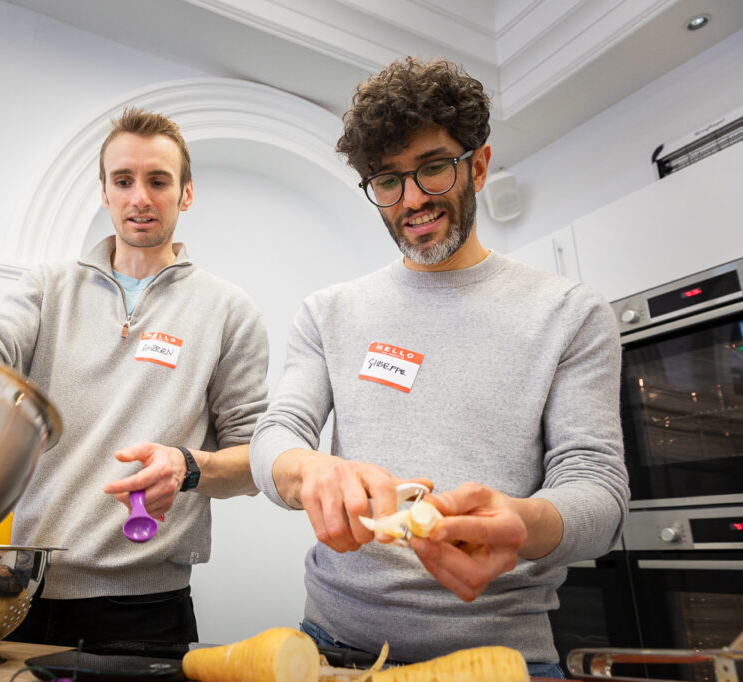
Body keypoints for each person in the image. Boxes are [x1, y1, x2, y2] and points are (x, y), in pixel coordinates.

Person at [249, 57, 628, 679]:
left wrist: (522, 523)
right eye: (388, 181)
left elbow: (600, 490)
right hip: (332, 648)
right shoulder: (329, 312)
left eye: (432, 168)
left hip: (499, 658)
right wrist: (310, 470)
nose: (413, 200)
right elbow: (277, 432)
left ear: (477, 165)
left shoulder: (569, 312)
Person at [0, 108, 269, 646]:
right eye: (123, 180)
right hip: (27, 593)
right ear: (104, 192)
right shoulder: (48, 289)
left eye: (158, 181)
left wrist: (187, 467)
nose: (140, 197)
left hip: (148, 608)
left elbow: (254, 461)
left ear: (185, 193)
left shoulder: (229, 311)